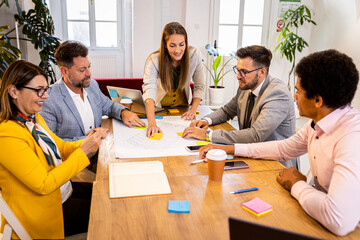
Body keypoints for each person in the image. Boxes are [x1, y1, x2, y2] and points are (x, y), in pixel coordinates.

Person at [199, 49, 360, 236]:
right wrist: (227, 148)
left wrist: (298, 185)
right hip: (316, 213)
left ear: (317, 100)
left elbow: (338, 220)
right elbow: (283, 147)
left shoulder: (352, 138)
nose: (295, 96)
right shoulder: (317, 123)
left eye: (298, 91)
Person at [0, 60, 108, 239]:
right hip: (43, 211)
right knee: (107, 212)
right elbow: (44, 184)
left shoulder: (33, 117)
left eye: (46, 89)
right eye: (39, 90)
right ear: (13, 92)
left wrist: (89, 141)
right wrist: (83, 151)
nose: (46, 96)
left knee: (107, 194)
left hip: (63, 192)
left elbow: (61, 147)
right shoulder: (6, 135)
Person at [183, 45, 297, 168]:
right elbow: (227, 111)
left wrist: (207, 135)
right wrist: (206, 120)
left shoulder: (277, 94)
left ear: (262, 72)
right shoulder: (246, 86)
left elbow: (255, 135)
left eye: (244, 72)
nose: (238, 76)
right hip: (250, 156)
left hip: (275, 164)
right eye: (237, 70)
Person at [40, 40, 145, 142]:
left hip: (102, 150)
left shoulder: (92, 85)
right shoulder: (49, 99)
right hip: (78, 157)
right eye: (82, 70)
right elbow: (50, 143)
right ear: (64, 71)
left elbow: (109, 106)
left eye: (89, 67)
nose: (89, 73)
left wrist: (123, 112)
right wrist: (90, 139)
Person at [142, 22, 205, 137]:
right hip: (159, 109)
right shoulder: (154, 59)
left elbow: (199, 85)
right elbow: (149, 90)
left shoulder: (194, 55)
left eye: (181, 44)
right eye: (172, 45)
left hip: (183, 109)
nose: (177, 50)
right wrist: (152, 123)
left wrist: (193, 109)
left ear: (186, 43)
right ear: (165, 45)